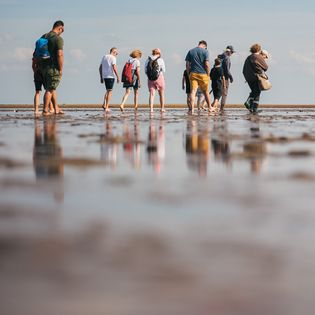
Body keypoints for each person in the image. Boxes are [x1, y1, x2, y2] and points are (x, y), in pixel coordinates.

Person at [39, 20, 65, 116]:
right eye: (62, 31)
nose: (62, 33)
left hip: (42, 67)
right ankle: (45, 110)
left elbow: (36, 52)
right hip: (52, 67)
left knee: (52, 88)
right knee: (50, 89)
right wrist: (61, 68)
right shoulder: (57, 39)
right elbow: (60, 54)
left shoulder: (44, 36)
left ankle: (56, 108)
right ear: (60, 28)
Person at [185, 40, 212, 114]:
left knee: (193, 91)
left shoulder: (191, 51)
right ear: (205, 46)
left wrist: (188, 73)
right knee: (206, 92)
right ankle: (210, 107)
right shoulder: (205, 51)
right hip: (203, 74)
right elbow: (206, 64)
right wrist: (208, 74)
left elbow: (187, 64)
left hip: (193, 73)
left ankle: (192, 109)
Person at [243, 43, 268, 113]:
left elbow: (244, 69)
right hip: (256, 77)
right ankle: (254, 108)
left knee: (254, 92)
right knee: (257, 92)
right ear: (258, 49)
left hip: (248, 78)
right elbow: (266, 67)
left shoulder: (248, 57)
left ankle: (251, 107)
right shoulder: (258, 57)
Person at [99, 47, 120, 113]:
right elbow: (114, 67)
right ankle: (107, 107)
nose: (117, 54)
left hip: (105, 76)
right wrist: (118, 76)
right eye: (116, 53)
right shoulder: (113, 58)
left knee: (107, 91)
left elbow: (100, 68)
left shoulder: (104, 56)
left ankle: (104, 104)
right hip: (110, 76)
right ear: (114, 52)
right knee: (110, 92)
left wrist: (101, 77)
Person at [145, 48, 166, 113]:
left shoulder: (148, 60)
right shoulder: (161, 60)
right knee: (161, 93)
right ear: (159, 53)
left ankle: (151, 109)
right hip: (159, 77)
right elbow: (164, 70)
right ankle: (162, 108)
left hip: (150, 78)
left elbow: (145, 70)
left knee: (151, 94)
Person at [218, 45, 235, 110]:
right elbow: (227, 70)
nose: (232, 54)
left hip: (217, 77)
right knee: (224, 93)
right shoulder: (227, 58)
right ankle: (221, 109)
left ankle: (213, 106)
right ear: (229, 52)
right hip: (225, 78)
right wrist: (231, 77)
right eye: (232, 52)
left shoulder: (220, 57)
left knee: (218, 93)